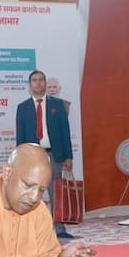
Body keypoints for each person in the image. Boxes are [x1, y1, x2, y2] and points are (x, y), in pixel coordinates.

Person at [16, 70, 74, 238]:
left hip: (55, 155)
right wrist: (21, 159)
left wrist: (68, 156)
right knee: (33, 194)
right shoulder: (23, 108)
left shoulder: (58, 105)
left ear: (45, 83)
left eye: (41, 80)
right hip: (34, 157)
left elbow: (65, 132)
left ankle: (60, 229)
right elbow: (20, 136)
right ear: (30, 85)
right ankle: (35, 230)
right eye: (34, 80)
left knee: (56, 192)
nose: (38, 83)